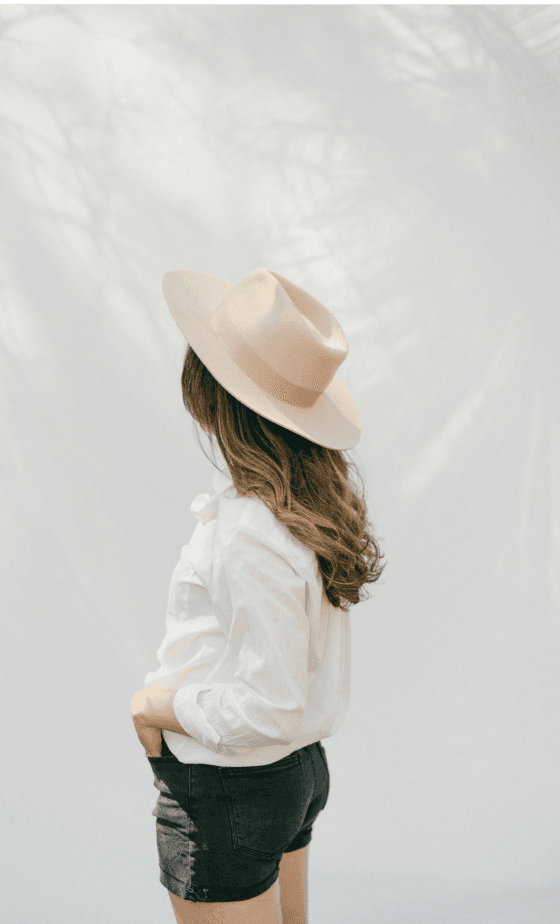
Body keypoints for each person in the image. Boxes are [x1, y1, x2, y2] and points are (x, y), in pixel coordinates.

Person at [130, 267, 386, 924]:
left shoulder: (250, 530)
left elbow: (269, 706)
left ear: (216, 398)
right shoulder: (305, 507)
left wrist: (156, 706)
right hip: (288, 775)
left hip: (228, 783)